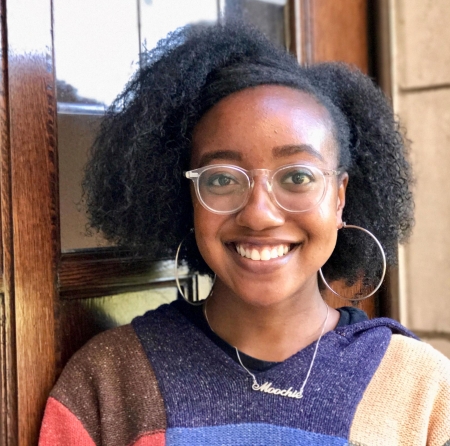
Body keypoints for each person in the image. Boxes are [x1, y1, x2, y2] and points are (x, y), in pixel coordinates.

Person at [39, 22, 450, 445]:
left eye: (296, 176)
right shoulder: (110, 380)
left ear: (340, 196)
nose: (258, 215)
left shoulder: (422, 390)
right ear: (188, 198)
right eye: (221, 180)